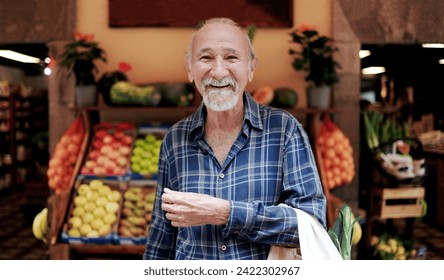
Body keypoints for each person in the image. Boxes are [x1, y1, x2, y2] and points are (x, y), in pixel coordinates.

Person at [143, 17, 326, 260]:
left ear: (251, 67)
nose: (218, 71)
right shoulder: (175, 139)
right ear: (189, 69)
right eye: (205, 58)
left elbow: (310, 226)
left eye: (231, 58)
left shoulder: (284, 130)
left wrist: (226, 214)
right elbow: (161, 237)